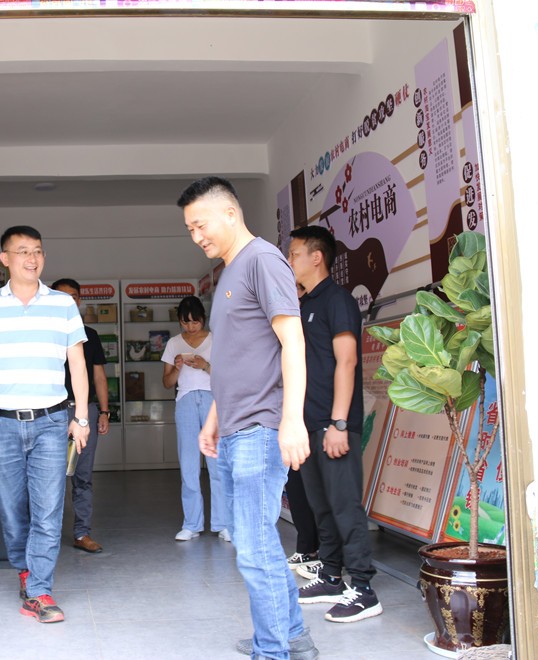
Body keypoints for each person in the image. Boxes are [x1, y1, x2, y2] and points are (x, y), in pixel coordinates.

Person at [178, 177, 318, 660]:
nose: (197, 236)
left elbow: (292, 342)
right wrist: (215, 417)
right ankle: (292, 637)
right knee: (255, 543)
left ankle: (272, 650)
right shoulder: (229, 274)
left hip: (261, 426)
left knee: (255, 548)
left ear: (231, 213)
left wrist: (292, 420)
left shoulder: (262, 260)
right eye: (190, 229)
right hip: (237, 425)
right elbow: (238, 357)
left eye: (201, 225)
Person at [0, 226, 91, 624]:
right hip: (1, 424)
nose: (31, 258)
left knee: (49, 510)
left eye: (37, 251)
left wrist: (81, 417)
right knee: (11, 509)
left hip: (52, 422)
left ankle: (39, 591)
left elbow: (78, 364)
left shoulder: (62, 304)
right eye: (22, 251)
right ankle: (25, 569)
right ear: (4, 259)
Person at [288, 225, 382, 623]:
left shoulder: (337, 300)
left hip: (334, 423)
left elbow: (347, 361)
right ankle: (330, 575)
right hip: (309, 424)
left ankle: (363, 588)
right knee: (321, 506)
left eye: (294, 254)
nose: (289, 260)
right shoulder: (305, 303)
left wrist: (339, 423)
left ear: (316, 257)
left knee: (345, 507)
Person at [160, 295, 229, 542]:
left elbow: (227, 376)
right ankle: (191, 524)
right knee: (188, 465)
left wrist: (205, 365)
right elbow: (167, 382)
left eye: (195, 321)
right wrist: (177, 367)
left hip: (213, 400)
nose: (190, 326)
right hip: (186, 401)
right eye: (185, 322)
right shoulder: (173, 344)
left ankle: (223, 523)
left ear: (203, 319)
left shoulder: (216, 340)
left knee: (217, 464)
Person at [50, 278, 111, 554]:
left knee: (82, 476)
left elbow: (99, 376)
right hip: (50, 412)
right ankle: (47, 536)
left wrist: (104, 412)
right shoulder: (45, 333)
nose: (69, 301)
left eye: (73, 296)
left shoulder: (90, 335)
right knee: (48, 477)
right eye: (62, 296)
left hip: (83, 411)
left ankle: (82, 533)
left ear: (79, 300)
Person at [285, 282, 323, 579]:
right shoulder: (284, 322)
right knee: (296, 485)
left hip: (316, 416)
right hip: (291, 416)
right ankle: (305, 547)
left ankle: (325, 555)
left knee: (318, 489)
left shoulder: (319, 312)